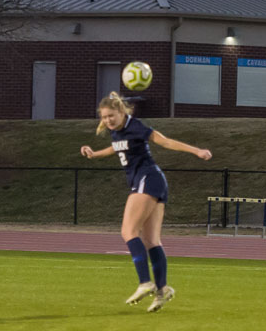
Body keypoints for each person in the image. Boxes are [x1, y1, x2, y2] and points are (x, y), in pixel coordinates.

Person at [79, 92, 212, 313]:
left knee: (128, 231)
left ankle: (145, 282)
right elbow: (116, 148)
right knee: (151, 240)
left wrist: (196, 151)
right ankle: (162, 290)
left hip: (147, 178)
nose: (108, 120)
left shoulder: (136, 126)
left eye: (111, 116)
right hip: (153, 182)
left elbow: (164, 141)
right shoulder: (117, 132)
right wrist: (94, 154)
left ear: (122, 112)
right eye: (104, 117)